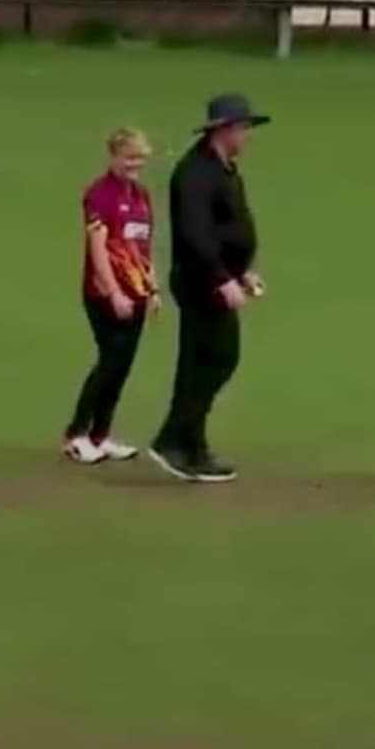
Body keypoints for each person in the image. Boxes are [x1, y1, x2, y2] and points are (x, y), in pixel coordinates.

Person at [148, 94, 270, 484]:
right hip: (201, 283)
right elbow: (195, 235)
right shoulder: (195, 174)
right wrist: (221, 278)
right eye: (243, 128)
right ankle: (174, 439)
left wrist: (241, 271)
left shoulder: (223, 169)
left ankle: (190, 444)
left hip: (217, 279)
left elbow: (227, 227)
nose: (247, 136)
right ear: (224, 130)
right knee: (213, 360)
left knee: (207, 363)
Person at [63, 127, 159, 465]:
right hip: (105, 295)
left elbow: (143, 247)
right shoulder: (100, 195)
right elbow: (98, 249)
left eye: (141, 158)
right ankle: (76, 435)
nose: (136, 164)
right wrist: (114, 292)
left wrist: (152, 288)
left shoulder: (142, 196)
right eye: (130, 157)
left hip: (136, 295)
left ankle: (100, 436)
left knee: (121, 368)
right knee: (109, 363)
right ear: (114, 156)